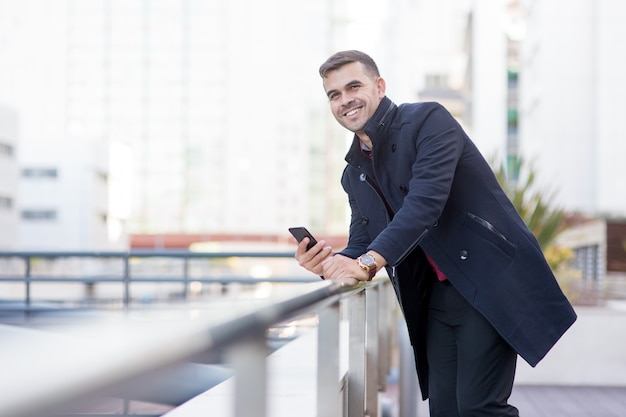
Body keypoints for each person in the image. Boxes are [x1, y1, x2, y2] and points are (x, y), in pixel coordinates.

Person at [295, 50, 577, 417]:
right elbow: (363, 243)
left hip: (485, 280)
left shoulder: (428, 120)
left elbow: (424, 204)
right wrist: (326, 264)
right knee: (446, 410)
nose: (345, 100)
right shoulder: (354, 173)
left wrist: (364, 263)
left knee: (479, 408)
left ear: (379, 87)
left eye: (353, 87)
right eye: (334, 94)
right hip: (435, 297)